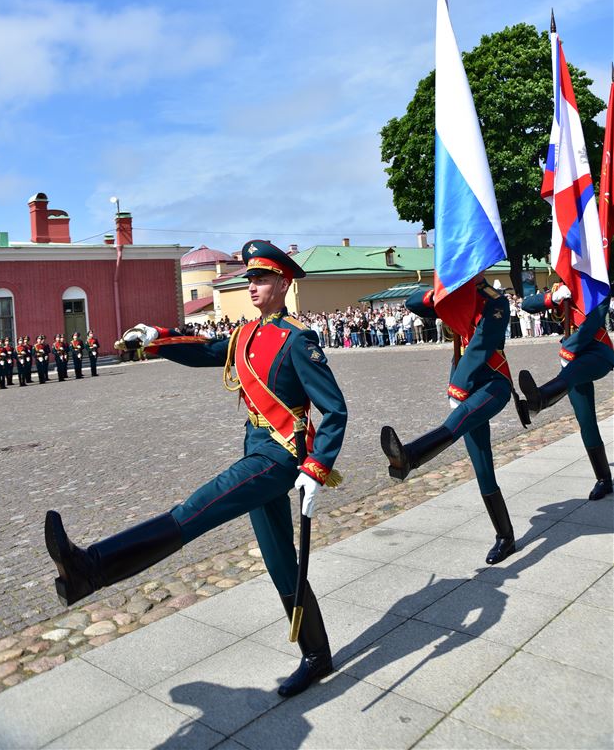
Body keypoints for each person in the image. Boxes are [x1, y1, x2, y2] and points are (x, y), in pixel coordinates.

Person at [44, 241, 347, 699]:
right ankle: (317, 655)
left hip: (279, 456)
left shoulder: (298, 340)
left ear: (284, 283)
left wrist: (317, 466)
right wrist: (157, 337)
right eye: (250, 279)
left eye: (262, 278)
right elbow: (204, 349)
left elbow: (335, 409)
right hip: (255, 446)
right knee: (280, 561)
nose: (253, 286)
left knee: (196, 510)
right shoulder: (245, 335)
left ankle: (92, 567)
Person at [381, 277, 521, 565]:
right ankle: (505, 536)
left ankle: (411, 456)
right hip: (466, 386)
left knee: (458, 422)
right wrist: (439, 294)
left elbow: (482, 344)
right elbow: (412, 303)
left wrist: (459, 384)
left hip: (492, 383)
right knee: (483, 467)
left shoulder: (494, 300)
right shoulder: (454, 295)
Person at [519, 283, 613, 500]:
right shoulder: (560, 287)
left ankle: (541, 398)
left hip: (597, 353)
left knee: (570, 375)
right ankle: (604, 479)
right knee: (586, 421)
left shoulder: (597, 285)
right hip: (571, 360)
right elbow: (527, 305)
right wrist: (552, 298)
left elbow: (593, 323)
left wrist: (569, 349)